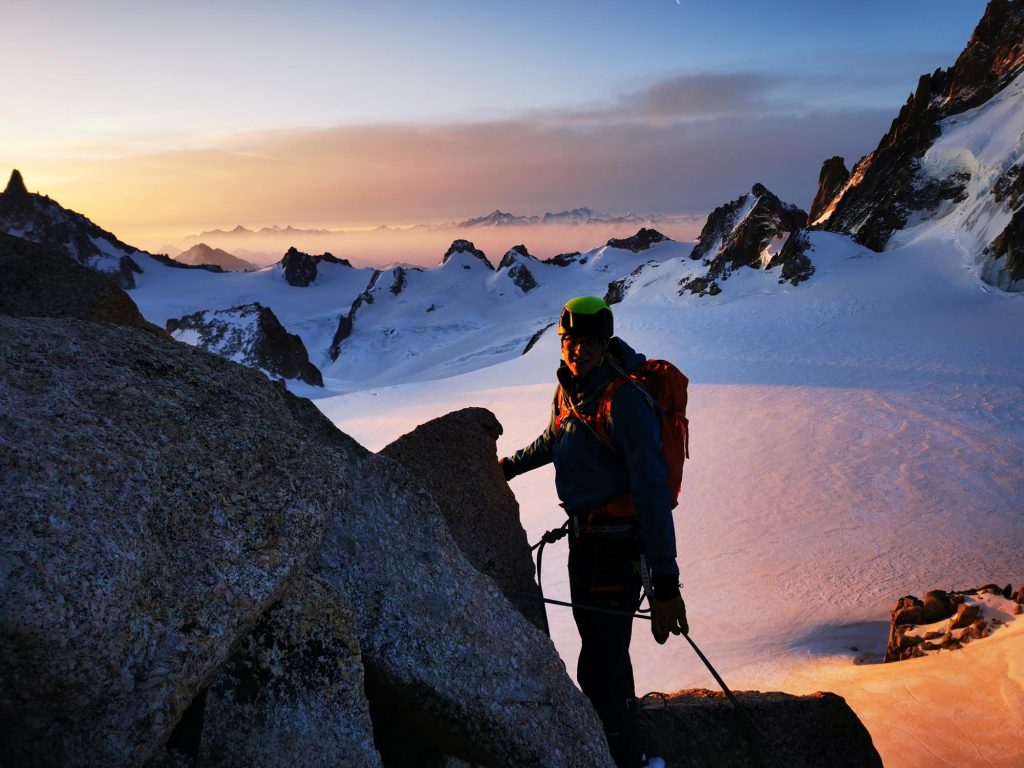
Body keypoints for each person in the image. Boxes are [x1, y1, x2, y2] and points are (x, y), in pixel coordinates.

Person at [499, 296, 688, 768]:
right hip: (584, 542)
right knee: (604, 654)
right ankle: (634, 752)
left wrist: (666, 583)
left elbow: (652, 490)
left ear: (604, 344)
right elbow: (555, 439)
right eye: (569, 342)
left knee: (598, 666)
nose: (575, 351)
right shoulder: (569, 389)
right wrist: (507, 468)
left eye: (586, 343)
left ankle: (628, 758)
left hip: (619, 547)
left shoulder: (624, 400)